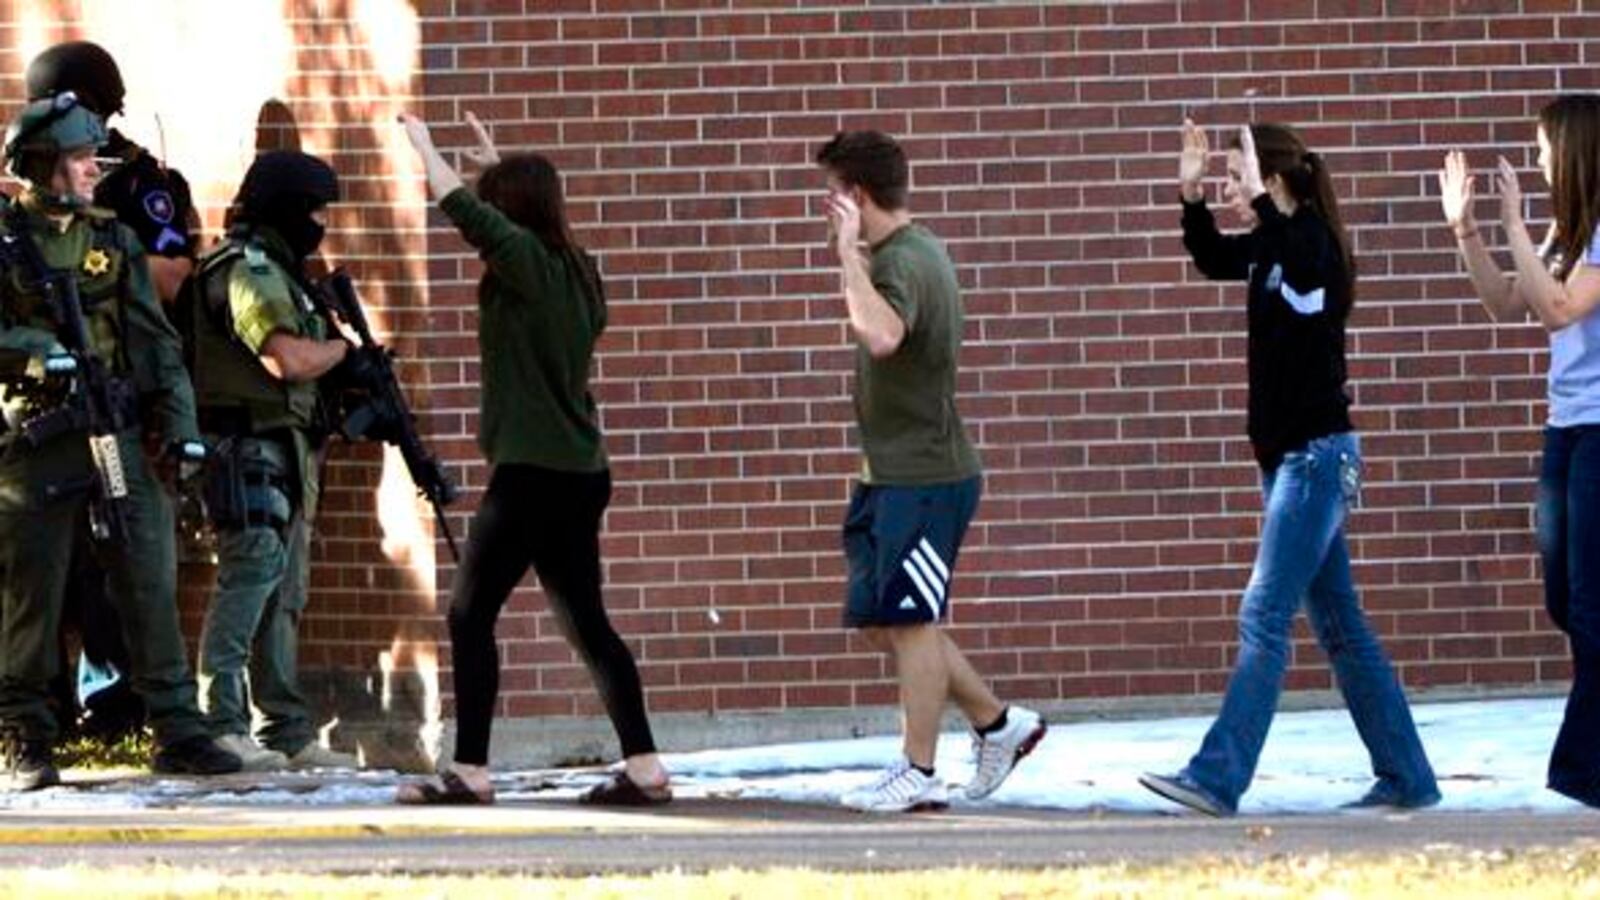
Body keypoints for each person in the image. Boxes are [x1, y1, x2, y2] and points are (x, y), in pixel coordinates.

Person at [1139, 120, 1440, 817]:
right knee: (1340, 625)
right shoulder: (1273, 245)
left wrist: (1263, 205)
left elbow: (1301, 256)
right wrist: (1189, 194)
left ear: (1272, 179)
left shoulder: (1314, 245)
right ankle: (1407, 776)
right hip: (1290, 464)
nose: (1236, 194)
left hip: (1316, 459)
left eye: (1244, 179)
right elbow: (1214, 256)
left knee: (1264, 614)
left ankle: (1216, 778)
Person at [394, 111, 671, 806]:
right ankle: (645, 768)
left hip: (532, 476)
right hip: (580, 472)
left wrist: (425, 149)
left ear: (511, 216)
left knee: (469, 615)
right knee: (588, 623)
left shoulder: (527, 268)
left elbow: (464, 212)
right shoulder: (578, 270)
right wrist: (495, 168)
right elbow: (496, 216)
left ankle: (471, 772)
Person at [0, 92, 240, 789]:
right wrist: (32, 350)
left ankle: (176, 727)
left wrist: (185, 430)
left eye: (90, 157)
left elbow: (157, 344)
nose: (90, 170)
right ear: (40, 165)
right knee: (30, 592)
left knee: (147, 570)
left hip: (115, 431)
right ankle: (25, 734)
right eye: (77, 159)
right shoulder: (7, 240)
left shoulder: (113, 239)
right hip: (39, 438)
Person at [817, 130, 1046, 814]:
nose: (828, 206)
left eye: (833, 194)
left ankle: (917, 770)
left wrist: (845, 258)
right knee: (884, 619)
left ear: (856, 195)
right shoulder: (903, 253)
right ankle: (999, 725)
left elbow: (882, 336)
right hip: (888, 474)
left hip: (924, 475)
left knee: (913, 619)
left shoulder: (902, 263)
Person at [26, 39, 204, 740]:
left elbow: (167, 277)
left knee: (133, 558)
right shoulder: (28, 200)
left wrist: (102, 256)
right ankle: (42, 715)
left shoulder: (134, 183)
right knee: (43, 567)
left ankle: (132, 704)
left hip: (121, 394)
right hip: (47, 410)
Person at [1439, 95, 1600, 809]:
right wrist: (1468, 228)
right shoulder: (1570, 231)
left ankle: (1580, 770)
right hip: (1566, 429)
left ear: (1572, 149)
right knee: (1564, 598)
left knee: (1593, 605)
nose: (1535, 160)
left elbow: (1562, 309)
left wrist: (1511, 224)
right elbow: (1508, 302)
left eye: (1541, 147)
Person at [187, 150, 359, 772]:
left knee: (284, 592)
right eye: (312, 209)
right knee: (250, 578)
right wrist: (343, 350)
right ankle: (222, 725)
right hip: (245, 446)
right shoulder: (249, 270)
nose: (320, 222)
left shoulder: (284, 272)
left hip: (285, 449)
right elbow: (285, 360)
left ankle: (283, 731)